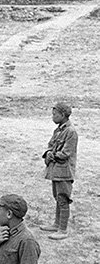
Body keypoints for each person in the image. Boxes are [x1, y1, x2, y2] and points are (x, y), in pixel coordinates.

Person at [40, 102, 78, 240]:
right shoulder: (59, 130)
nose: (53, 117)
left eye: (55, 114)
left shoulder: (71, 132)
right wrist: (48, 152)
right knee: (58, 198)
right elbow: (50, 145)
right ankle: (57, 224)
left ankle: (63, 229)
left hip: (65, 172)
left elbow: (66, 153)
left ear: (63, 115)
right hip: (56, 170)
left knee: (63, 199)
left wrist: (52, 155)